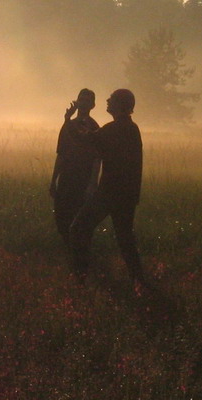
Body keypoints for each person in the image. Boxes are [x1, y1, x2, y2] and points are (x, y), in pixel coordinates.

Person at [69, 89, 145, 284]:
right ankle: (139, 280)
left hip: (110, 192)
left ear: (119, 105)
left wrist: (71, 120)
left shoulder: (114, 129)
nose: (107, 101)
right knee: (125, 238)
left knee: (79, 227)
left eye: (111, 99)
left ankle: (81, 274)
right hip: (127, 195)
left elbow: (86, 140)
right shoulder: (132, 128)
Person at [49, 88, 100, 248]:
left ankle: (77, 250)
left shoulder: (94, 127)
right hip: (66, 176)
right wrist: (53, 179)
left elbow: (96, 159)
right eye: (81, 100)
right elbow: (61, 154)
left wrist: (92, 183)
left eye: (87, 101)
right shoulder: (68, 125)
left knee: (77, 215)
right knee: (61, 214)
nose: (83, 104)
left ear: (92, 105)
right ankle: (68, 247)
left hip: (83, 178)